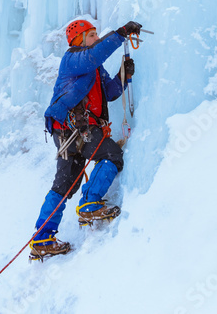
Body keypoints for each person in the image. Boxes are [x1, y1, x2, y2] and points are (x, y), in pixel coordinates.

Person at [29, 19, 142, 260]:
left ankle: (42, 239)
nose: (96, 38)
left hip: (71, 132)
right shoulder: (72, 59)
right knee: (111, 155)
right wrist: (121, 33)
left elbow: (109, 93)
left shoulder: (94, 68)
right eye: (91, 35)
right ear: (79, 40)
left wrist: (124, 75)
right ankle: (90, 204)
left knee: (64, 185)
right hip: (75, 130)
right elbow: (94, 55)